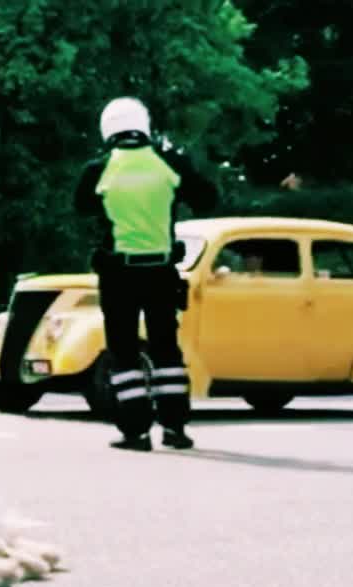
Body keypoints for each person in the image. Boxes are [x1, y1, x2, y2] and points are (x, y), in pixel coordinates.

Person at [74, 97, 218, 451]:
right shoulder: (169, 162)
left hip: (118, 273)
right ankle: (175, 428)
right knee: (166, 349)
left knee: (123, 352)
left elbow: (81, 206)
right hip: (161, 271)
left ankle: (135, 431)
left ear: (107, 129)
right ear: (144, 124)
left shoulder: (99, 168)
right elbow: (208, 198)